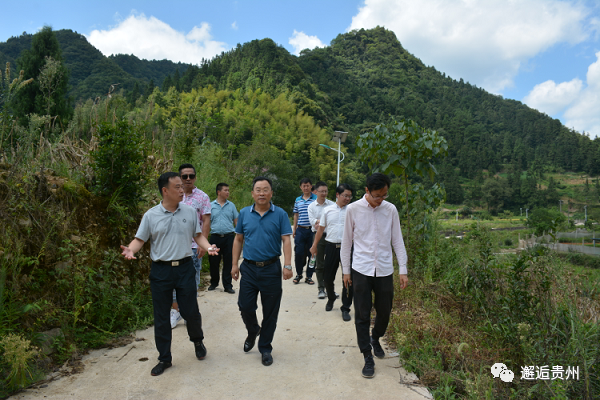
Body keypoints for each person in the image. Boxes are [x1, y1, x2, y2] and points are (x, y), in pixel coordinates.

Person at [120, 172, 219, 376]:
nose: (182, 190)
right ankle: (164, 358)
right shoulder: (151, 215)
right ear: (165, 190)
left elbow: (198, 235)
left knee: (190, 311)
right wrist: (131, 249)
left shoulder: (190, 212)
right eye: (177, 187)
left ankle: (198, 341)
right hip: (161, 270)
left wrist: (208, 247)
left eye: (182, 187)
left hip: (184, 267)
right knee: (162, 315)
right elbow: (140, 239)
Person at [341, 173, 408, 379]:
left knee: (385, 311)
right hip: (361, 269)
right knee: (362, 314)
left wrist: (403, 268)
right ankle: (367, 356)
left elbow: (397, 239)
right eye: (378, 195)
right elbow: (347, 242)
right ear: (367, 191)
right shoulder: (353, 209)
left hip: (385, 269)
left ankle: (376, 337)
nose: (381, 199)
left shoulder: (390, 210)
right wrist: (346, 270)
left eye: (384, 195)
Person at [231, 176, 293, 367]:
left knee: (270, 311)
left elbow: (286, 240)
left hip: (271, 268)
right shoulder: (244, 213)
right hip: (249, 268)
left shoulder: (280, 214)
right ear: (252, 193)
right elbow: (238, 239)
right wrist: (234, 265)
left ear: (271, 193)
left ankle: (265, 348)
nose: (262, 193)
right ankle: (253, 330)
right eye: (258, 190)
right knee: (245, 305)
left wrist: (288, 264)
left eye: (265, 190)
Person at [169, 164, 212, 328]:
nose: (188, 179)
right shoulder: (174, 195)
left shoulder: (202, 197)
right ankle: (176, 310)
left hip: (194, 246)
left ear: (195, 177)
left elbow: (206, 220)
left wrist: (205, 244)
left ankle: (188, 310)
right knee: (173, 280)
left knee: (192, 280)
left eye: (191, 176)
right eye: (184, 176)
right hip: (174, 247)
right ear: (180, 177)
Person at [310, 183, 354, 321]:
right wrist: (314, 245)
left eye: (349, 196)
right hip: (331, 247)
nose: (347, 198)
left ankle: (345, 307)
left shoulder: (352, 210)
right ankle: (330, 298)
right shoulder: (327, 210)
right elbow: (321, 229)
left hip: (348, 248)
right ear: (337, 195)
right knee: (328, 278)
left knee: (349, 279)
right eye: (345, 195)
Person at [208, 182, 239, 293]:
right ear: (219, 192)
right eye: (225, 190)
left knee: (228, 261)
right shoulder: (210, 206)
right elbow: (207, 223)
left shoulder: (231, 206)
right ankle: (214, 282)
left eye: (228, 190)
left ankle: (227, 285)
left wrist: (239, 236)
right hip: (215, 237)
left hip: (229, 237)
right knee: (214, 262)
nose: (228, 192)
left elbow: (237, 221)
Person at [307, 181, 334, 299]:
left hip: (331, 237)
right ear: (315, 192)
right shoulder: (311, 206)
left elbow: (331, 222)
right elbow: (313, 222)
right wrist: (322, 222)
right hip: (318, 237)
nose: (324, 193)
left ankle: (330, 289)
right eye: (321, 191)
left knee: (331, 264)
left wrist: (320, 222)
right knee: (319, 264)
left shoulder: (332, 205)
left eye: (326, 191)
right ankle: (321, 289)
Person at [292, 178, 317, 284]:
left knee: (312, 253)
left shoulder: (316, 198)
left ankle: (309, 276)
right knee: (298, 253)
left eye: (307, 185)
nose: (306, 187)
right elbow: (296, 214)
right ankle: (298, 274)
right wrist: (294, 229)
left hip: (312, 230)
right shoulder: (298, 200)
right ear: (300, 187)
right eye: (303, 186)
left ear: (311, 186)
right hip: (300, 230)